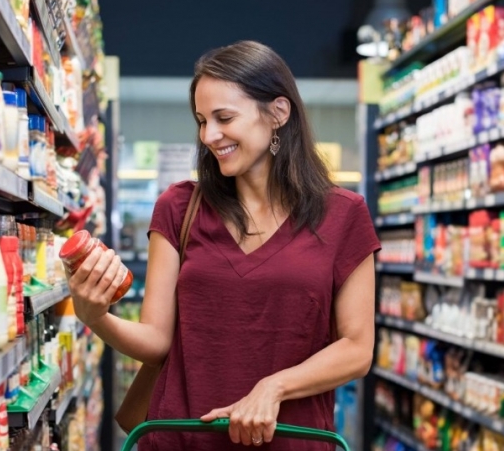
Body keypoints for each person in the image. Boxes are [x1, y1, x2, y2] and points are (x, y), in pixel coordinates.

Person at [67, 40, 380, 450]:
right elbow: (156, 340)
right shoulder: (180, 207)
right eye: (201, 120)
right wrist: (95, 316)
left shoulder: (343, 214)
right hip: (183, 440)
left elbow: (357, 348)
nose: (210, 135)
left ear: (278, 113)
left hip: (290, 441)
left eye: (224, 117)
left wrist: (274, 387)